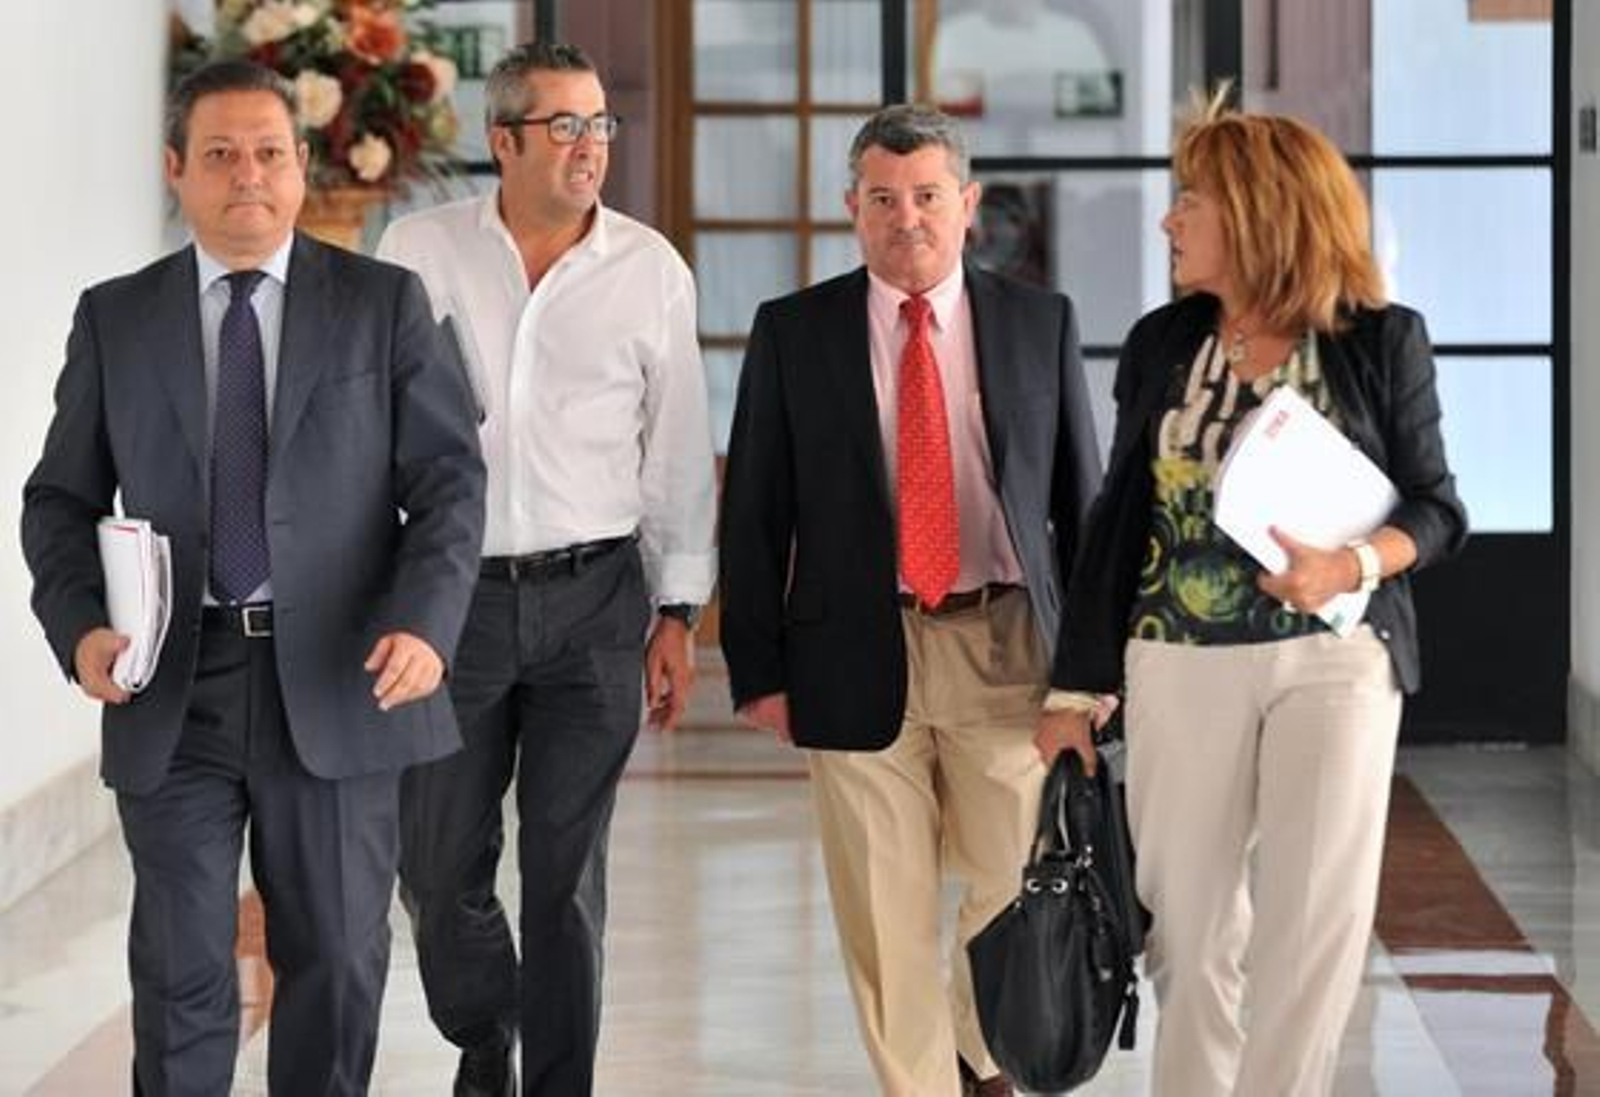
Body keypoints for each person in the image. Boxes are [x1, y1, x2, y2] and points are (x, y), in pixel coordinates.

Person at [20, 60, 486, 1096]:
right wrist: (84, 627)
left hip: (338, 674)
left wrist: (426, 621)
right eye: (221, 154)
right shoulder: (118, 317)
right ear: (175, 170)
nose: (248, 176)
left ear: (302, 164)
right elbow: (58, 500)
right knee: (180, 965)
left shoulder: (382, 303)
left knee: (333, 958)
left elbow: (451, 479)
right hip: (170, 687)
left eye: (270, 152)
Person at [1034, 93, 1470, 1097]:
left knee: (1309, 929)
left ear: (1259, 209)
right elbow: (1116, 518)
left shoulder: (1378, 339)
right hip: (1177, 660)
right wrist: (1075, 687)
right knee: (1186, 929)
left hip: (1336, 657)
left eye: (1190, 199)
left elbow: (1439, 509)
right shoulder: (1161, 342)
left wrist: (1350, 565)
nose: (1168, 219)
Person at [718, 103, 1102, 1097]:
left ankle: (984, 1058)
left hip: (1007, 643)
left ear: (967, 204)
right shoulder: (794, 331)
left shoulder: (1036, 321)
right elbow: (755, 511)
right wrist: (758, 672)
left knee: (1008, 881)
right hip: (851, 647)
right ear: (852, 207)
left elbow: (1081, 504)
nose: (907, 218)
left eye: (927, 196)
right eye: (883, 199)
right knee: (882, 912)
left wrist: (1092, 670)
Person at [374, 41, 716, 1097]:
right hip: (450, 604)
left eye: (600, 125)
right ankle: (486, 1026)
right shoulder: (416, 250)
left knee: (567, 877)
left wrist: (677, 607)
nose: (588, 147)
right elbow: (368, 423)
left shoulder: (649, 268)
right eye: (563, 126)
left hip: (595, 602)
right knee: (434, 867)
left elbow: (675, 445)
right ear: (503, 139)